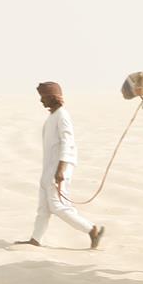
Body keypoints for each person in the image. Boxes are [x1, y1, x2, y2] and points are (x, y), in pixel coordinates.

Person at [17, 81, 105, 249]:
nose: (41, 101)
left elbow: (68, 143)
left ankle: (91, 230)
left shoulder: (62, 116)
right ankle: (35, 239)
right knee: (43, 207)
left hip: (59, 168)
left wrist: (61, 169)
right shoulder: (53, 116)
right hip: (48, 169)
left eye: (43, 97)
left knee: (57, 206)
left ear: (52, 97)